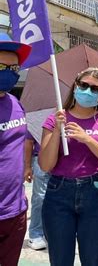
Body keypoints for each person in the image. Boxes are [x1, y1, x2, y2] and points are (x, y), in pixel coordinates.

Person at [40, 67, 98, 266]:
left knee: (93, 259)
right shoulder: (55, 118)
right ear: (75, 86)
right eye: (84, 85)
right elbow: (45, 165)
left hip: (95, 191)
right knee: (60, 259)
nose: (88, 91)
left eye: (95, 88)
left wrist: (87, 139)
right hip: (58, 192)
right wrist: (58, 130)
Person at [0, 33, 31, 266]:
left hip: (16, 211)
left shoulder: (15, 103)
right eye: (2, 66)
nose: (9, 72)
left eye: (14, 67)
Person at [24, 130, 49, 250]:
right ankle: (35, 234)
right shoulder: (38, 115)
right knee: (40, 198)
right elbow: (28, 142)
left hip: (63, 161)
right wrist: (27, 166)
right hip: (40, 159)